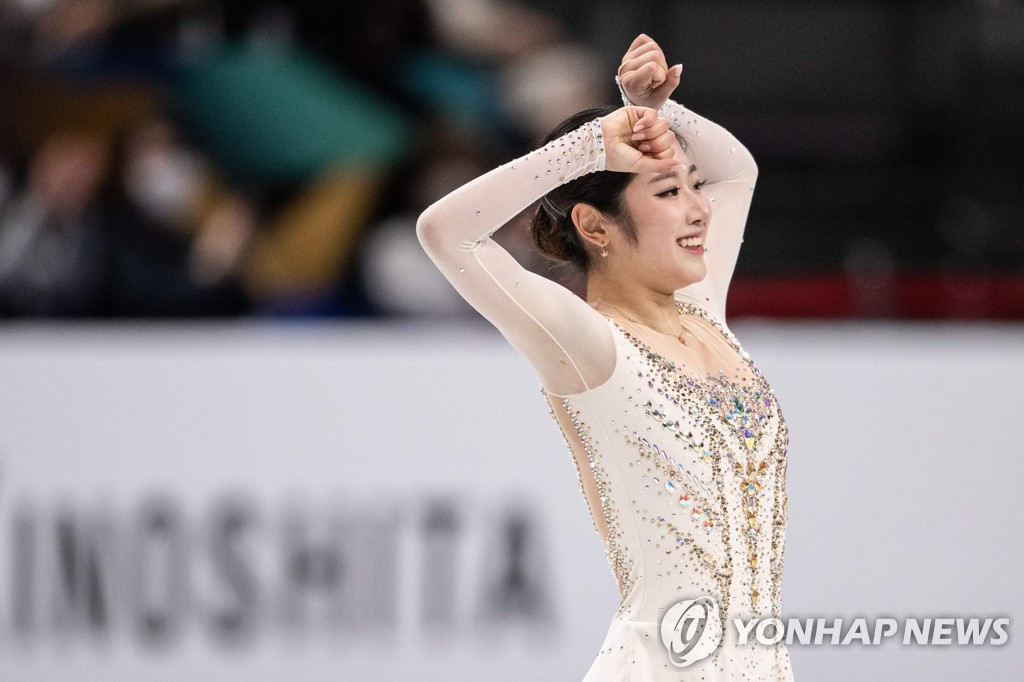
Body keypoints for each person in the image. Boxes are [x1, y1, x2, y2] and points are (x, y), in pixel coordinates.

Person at [417, 34, 794, 680]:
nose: (700, 208)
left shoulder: (701, 307)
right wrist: (589, 147)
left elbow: (737, 171)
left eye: (690, 186)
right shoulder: (591, 344)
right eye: (669, 194)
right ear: (595, 227)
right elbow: (446, 233)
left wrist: (651, 111)